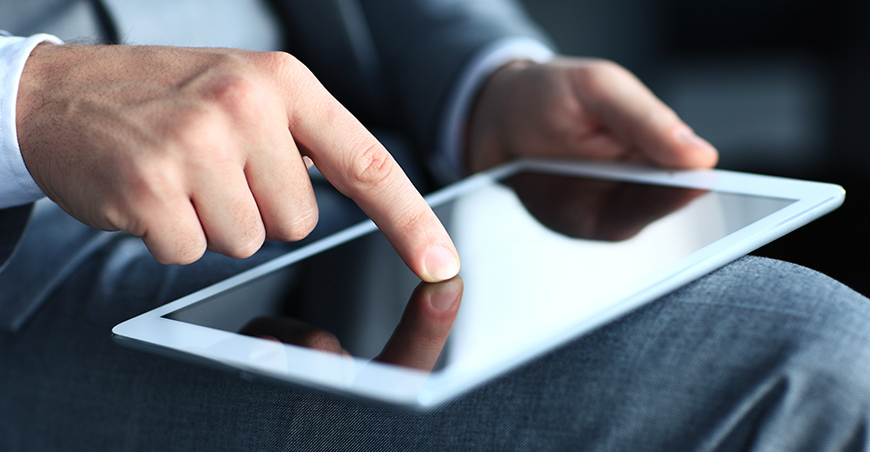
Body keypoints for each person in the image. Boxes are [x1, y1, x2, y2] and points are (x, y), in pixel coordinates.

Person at [1, 1, 868, 450]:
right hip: (41, 254)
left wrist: (482, 84)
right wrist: (29, 101)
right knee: (813, 369)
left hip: (380, 163)